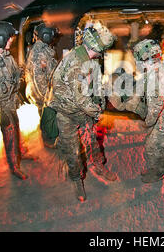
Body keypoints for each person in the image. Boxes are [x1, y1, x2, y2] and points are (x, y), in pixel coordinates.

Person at [44, 22, 117, 201]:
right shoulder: (77, 63)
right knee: (73, 151)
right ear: (96, 47)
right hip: (66, 113)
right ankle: (77, 181)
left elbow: (96, 85)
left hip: (83, 112)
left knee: (92, 141)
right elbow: (81, 99)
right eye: (103, 49)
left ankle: (99, 166)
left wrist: (100, 102)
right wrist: (99, 114)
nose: (103, 53)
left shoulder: (89, 58)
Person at [0, 21, 33, 180]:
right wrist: (0, 113)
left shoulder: (7, 56)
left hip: (11, 102)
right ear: (1, 39)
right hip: (3, 107)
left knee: (16, 128)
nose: (12, 40)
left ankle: (20, 155)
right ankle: (14, 167)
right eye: (9, 38)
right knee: (9, 135)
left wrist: (23, 71)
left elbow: (15, 74)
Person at [124, 39, 164, 183]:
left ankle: (157, 174)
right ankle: (154, 169)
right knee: (154, 148)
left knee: (157, 151)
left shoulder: (155, 76)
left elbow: (155, 107)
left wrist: (147, 122)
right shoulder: (160, 68)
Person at [25, 23, 59, 147]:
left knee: (46, 116)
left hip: (40, 91)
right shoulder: (40, 53)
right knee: (47, 116)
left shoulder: (43, 49)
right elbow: (38, 78)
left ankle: (49, 139)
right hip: (40, 92)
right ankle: (49, 142)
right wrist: (47, 99)